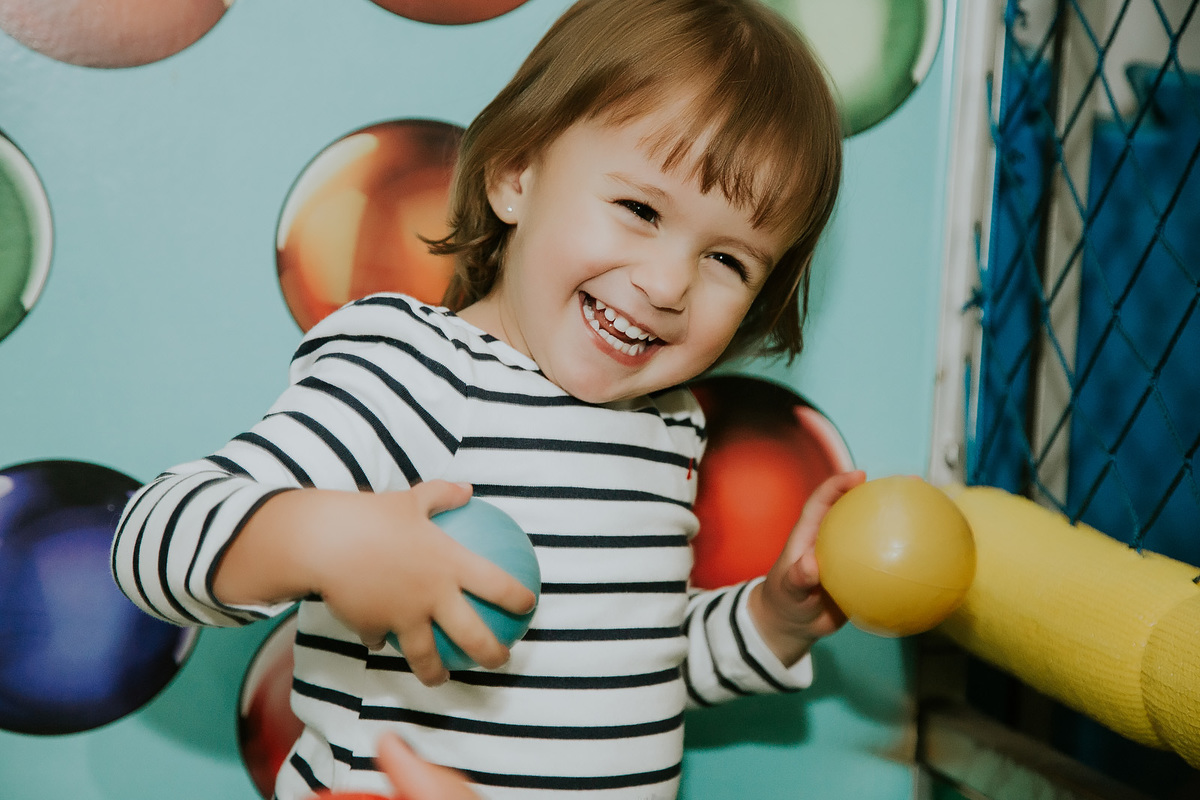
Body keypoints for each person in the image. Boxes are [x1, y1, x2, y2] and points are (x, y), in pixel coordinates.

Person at [111, 0, 862, 797]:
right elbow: (155, 533)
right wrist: (327, 538)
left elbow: (627, 669)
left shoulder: (668, 428)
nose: (668, 283)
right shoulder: (417, 368)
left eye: (728, 260)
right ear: (515, 175)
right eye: (640, 209)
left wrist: (769, 623)